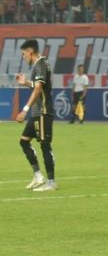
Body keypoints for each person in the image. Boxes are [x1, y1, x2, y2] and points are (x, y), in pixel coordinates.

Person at [15, 39, 58, 192]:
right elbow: (38, 85)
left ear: (30, 51)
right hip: (36, 113)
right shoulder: (40, 65)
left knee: (45, 145)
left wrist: (24, 109)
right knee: (24, 141)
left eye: (23, 54)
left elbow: (39, 89)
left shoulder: (40, 64)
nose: (23, 57)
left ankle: (51, 182)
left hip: (43, 112)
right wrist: (25, 82)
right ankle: (39, 176)